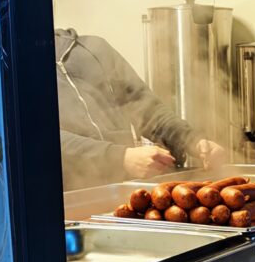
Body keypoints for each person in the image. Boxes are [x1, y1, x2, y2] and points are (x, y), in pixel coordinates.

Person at [54, 28, 225, 190]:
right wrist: (121, 158)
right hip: (65, 198)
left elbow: (146, 107)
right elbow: (44, 140)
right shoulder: (35, 64)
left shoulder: (95, 49)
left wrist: (191, 140)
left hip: (123, 190)